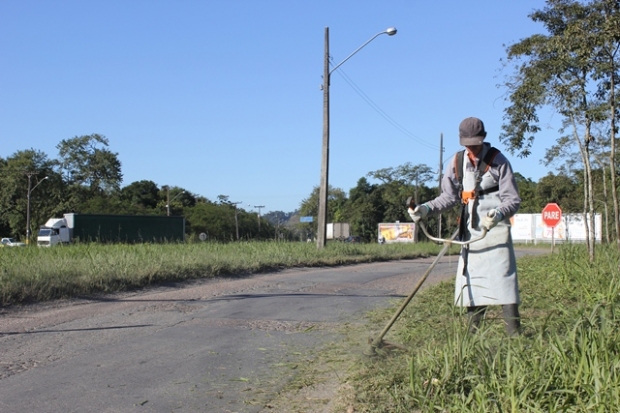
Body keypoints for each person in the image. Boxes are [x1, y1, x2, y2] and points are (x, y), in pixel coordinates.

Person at [408, 117, 522, 335]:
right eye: (467, 142)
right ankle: (472, 337)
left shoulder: (499, 161)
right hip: (470, 234)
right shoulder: (456, 162)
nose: (472, 147)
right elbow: (448, 198)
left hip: (495, 231)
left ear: (484, 138)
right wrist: (425, 209)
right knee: (473, 284)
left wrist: (499, 213)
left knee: (504, 282)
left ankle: (514, 335)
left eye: (475, 142)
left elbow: (513, 200)